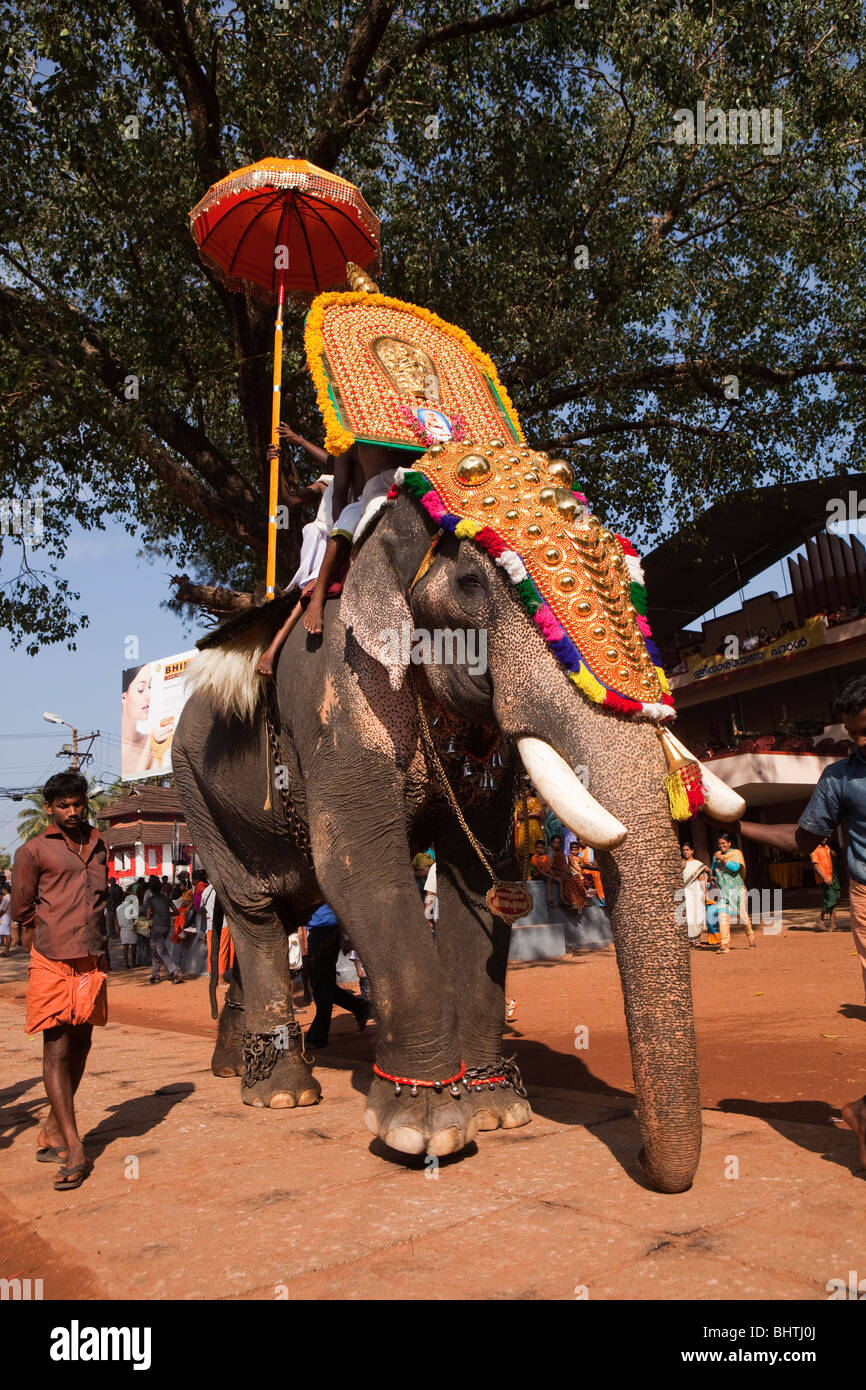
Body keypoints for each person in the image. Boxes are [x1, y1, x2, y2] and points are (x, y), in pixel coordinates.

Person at [739, 672, 866, 999]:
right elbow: (802, 838)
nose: (860, 742)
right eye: (853, 733)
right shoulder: (838, 778)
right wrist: (737, 827)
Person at [11, 770, 109, 1191]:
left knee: (83, 1043)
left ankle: (53, 1129)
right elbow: (21, 908)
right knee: (57, 1047)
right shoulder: (32, 850)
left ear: (85, 802)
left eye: (77, 804)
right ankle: (74, 1146)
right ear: (50, 808)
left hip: (91, 957)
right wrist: (50, 927)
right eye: (62, 806)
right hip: (51, 959)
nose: (71, 812)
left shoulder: (99, 844)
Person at [305, 901, 371, 1048]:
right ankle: (360, 1007)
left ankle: (318, 1036)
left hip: (326, 930)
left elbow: (341, 904)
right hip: (316, 930)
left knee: (322, 983)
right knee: (321, 982)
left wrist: (344, 935)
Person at [712, 833, 755, 952]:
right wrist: (716, 860)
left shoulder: (736, 853)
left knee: (742, 916)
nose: (721, 845)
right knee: (722, 917)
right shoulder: (716, 856)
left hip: (737, 890)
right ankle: (724, 945)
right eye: (719, 843)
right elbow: (713, 872)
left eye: (723, 843)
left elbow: (736, 868)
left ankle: (751, 938)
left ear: (729, 843)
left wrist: (722, 859)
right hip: (723, 891)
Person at [146, 876, 183, 984]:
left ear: (151, 889)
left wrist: (155, 914)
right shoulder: (166, 898)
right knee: (157, 950)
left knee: (161, 951)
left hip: (157, 927)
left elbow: (148, 916)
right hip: (166, 926)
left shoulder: (151, 900)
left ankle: (176, 971)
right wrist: (166, 914)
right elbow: (176, 912)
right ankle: (155, 975)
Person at [681, 843, 710, 945]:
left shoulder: (697, 864)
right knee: (689, 915)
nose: (685, 852)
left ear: (692, 851)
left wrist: (705, 893)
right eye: (684, 850)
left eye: (687, 850)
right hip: (686, 892)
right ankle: (690, 939)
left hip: (696, 891)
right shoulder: (681, 864)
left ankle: (697, 939)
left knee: (697, 914)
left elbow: (701, 878)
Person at [810, 837, 841, 932]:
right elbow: (815, 865)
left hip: (833, 877)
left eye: (827, 837)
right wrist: (824, 877)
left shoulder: (827, 848)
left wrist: (833, 853)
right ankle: (820, 917)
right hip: (824, 879)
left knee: (836, 898)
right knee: (832, 899)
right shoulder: (814, 849)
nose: (826, 838)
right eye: (823, 837)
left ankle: (832, 925)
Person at [116, 885, 140, 968]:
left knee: (125, 947)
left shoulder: (118, 908)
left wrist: (117, 931)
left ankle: (126, 964)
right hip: (131, 928)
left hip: (123, 929)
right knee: (133, 946)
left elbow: (115, 921)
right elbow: (135, 919)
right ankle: (133, 962)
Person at [0, 878, 12, 956]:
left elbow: (3, 909)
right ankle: (6, 950)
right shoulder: (9, 897)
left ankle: (6, 951)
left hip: (5, 917)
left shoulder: (6, 898)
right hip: (6, 917)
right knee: (6, 933)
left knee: (7, 934)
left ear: (5, 890)